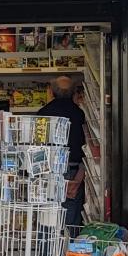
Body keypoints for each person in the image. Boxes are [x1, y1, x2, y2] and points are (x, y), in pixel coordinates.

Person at [35, 75, 90, 228]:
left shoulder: (42, 113)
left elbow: (38, 148)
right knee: (70, 221)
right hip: (73, 172)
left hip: (48, 171)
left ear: (51, 92)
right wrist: (79, 178)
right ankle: (70, 251)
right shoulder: (80, 115)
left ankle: (48, 250)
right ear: (74, 93)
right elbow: (86, 148)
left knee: (47, 221)